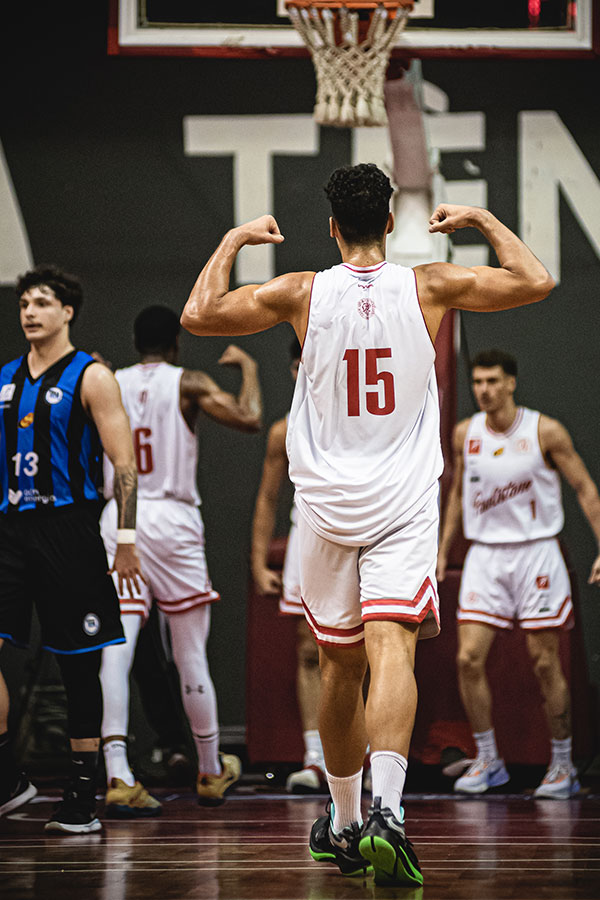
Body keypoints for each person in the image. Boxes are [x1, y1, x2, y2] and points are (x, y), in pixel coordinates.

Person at [180, 163, 554, 887]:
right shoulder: (430, 284)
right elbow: (534, 279)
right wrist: (480, 220)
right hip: (402, 502)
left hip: (324, 509)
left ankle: (344, 821)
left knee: (338, 665)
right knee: (393, 653)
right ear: (390, 222)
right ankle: (388, 812)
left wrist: (232, 239)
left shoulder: (300, 290)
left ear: (330, 227)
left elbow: (198, 313)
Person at [99, 305, 262, 814]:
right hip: (171, 517)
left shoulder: (104, 383)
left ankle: (118, 774)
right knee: (189, 650)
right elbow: (249, 417)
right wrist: (251, 371)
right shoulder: (187, 382)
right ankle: (211, 770)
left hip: (119, 516)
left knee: (118, 648)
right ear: (174, 343)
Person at [0, 265, 143, 834]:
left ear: (67, 313)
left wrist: (126, 538)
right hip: (11, 527)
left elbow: (125, 467)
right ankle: (9, 776)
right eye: (24, 304)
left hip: (70, 529)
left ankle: (83, 795)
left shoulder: (93, 376)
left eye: (42, 303)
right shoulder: (6, 380)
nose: (29, 312)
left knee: (79, 663)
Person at [436, 349, 600, 799]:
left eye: (492, 381)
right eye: (477, 382)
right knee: (468, 658)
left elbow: (585, 488)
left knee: (544, 661)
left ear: (511, 383)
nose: (483, 390)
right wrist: (442, 548)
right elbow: (455, 496)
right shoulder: (464, 433)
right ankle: (489, 759)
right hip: (485, 555)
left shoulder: (545, 430)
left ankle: (563, 765)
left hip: (536, 552)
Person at [251, 336, 327, 793]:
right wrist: (260, 562)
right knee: (308, 649)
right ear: (294, 369)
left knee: (374, 647)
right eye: (300, 363)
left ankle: (377, 754)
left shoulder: (362, 416)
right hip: (308, 537)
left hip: (362, 535)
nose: (306, 370)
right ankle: (315, 756)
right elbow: (267, 497)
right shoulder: (285, 429)